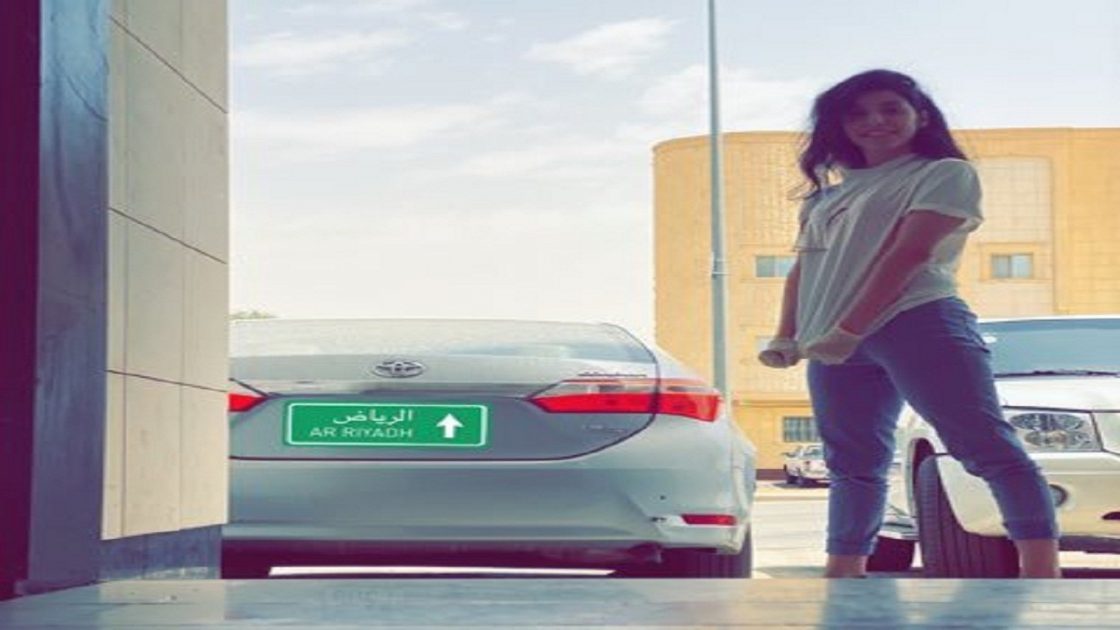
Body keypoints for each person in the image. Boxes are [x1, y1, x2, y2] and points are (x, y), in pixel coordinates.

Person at [758, 69, 1061, 579]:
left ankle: (1042, 573)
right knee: (851, 463)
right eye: (857, 113)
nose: (875, 121)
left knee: (984, 447)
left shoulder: (943, 173)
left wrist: (849, 329)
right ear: (839, 125)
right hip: (833, 343)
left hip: (918, 321)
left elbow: (911, 253)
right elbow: (803, 270)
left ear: (920, 116)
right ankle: (843, 575)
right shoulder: (825, 198)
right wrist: (786, 334)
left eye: (891, 109)